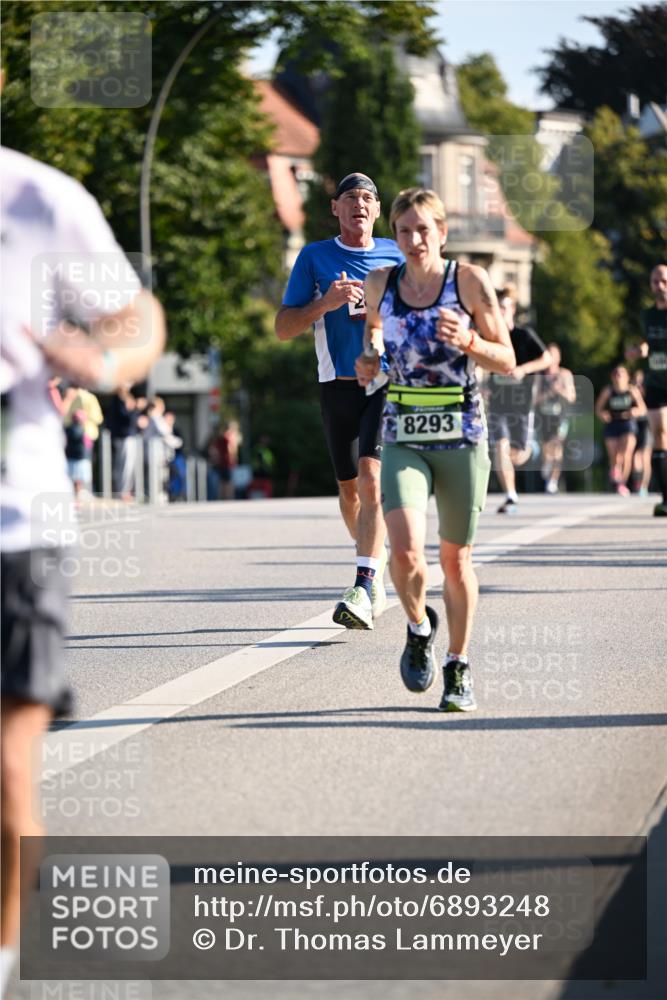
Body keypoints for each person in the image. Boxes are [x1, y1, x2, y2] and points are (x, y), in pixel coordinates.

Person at [0, 143, 165, 997]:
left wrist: (100, 364)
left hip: (16, 528)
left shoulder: (39, 198)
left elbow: (139, 321)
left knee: (8, 773)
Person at [355, 188, 514, 711]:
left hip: (461, 435)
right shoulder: (381, 283)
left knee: (455, 559)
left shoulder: (467, 281)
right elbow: (373, 338)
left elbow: (507, 359)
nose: (414, 239)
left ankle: (458, 665)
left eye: (424, 229)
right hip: (403, 432)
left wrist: (469, 342)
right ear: (394, 235)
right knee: (403, 552)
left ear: (442, 232)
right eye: (404, 231)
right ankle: (419, 625)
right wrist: (369, 362)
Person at [275, 172, 404, 630]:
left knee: (372, 478)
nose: (360, 205)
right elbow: (283, 327)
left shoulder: (396, 254)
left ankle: (365, 583)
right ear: (336, 208)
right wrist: (324, 304)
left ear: (377, 208)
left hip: (386, 382)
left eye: (368, 198)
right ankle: (374, 559)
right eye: (350, 198)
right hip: (337, 383)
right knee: (349, 489)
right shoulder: (315, 257)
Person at [485, 284, 551, 514]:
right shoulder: (491, 337)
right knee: (500, 448)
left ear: (512, 309)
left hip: (522, 405)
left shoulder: (524, 335)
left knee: (519, 454)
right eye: (497, 308)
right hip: (498, 404)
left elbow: (547, 358)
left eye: (504, 307)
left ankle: (530, 448)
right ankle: (511, 496)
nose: (501, 312)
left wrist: (523, 369)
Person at [626, 263, 667, 516]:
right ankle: (665, 498)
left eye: (663, 281)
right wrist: (639, 349)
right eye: (655, 281)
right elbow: (646, 341)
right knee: (660, 433)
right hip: (656, 384)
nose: (660, 286)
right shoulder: (647, 316)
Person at [594, 365, 646, 494]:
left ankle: (622, 483)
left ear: (627, 377)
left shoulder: (632, 391)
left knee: (626, 453)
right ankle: (616, 472)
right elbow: (598, 408)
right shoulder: (608, 391)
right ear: (612, 377)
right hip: (613, 424)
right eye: (616, 374)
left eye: (621, 374)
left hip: (628, 424)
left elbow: (643, 408)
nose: (618, 377)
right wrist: (603, 415)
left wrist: (635, 411)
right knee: (615, 456)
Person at [535, 344, 576, 494]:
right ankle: (547, 467)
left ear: (559, 358)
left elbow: (572, 397)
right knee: (547, 450)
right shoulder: (540, 376)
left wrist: (560, 390)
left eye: (554, 355)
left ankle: (553, 481)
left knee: (557, 447)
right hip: (544, 417)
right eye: (549, 355)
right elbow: (534, 400)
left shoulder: (565, 374)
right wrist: (548, 393)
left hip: (560, 417)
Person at [62, 383, 104, 495]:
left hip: (75, 435)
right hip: (83, 435)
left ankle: (77, 488)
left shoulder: (71, 396)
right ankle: (81, 489)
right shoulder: (89, 398)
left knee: (74, 461)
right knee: (83, 461)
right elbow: (98, 418)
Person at [630, 369, 651, 496]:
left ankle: (644, 486)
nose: (638, 384)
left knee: (645, 456)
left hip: (647, 425)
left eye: (640, 382)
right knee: (634, 456)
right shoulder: (631, 393)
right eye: (635, 381)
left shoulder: (649, 393)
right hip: (633, 426)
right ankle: (637, 484)